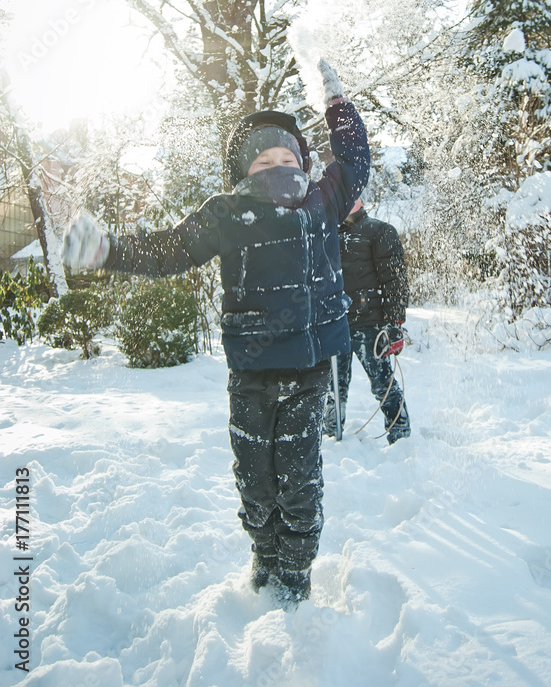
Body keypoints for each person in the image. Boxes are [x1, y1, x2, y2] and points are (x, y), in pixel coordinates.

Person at [61, 61, 370, 608]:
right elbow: (168, 252)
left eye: (287, 157)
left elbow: (353, 161)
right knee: (255, 478)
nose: (277, 166)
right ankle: (264, 552)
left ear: (303, 160)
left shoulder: (323, 201)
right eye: (263, 159)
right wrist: (107, 249)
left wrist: (337, 103)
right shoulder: (228, 213)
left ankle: (295, 574)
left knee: (299, 479)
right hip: (251, 371)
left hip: (309, 367)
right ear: (244, 169)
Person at [324, 197, 411, 443]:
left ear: (361, 198)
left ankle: (400, 435)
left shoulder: (380, 231)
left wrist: (395, 323)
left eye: (353, 193)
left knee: (383, 384)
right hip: (334, 326)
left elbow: (395, 280)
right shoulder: (326, 234)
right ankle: (331, 437)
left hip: (370, 325)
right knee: (333, 389)